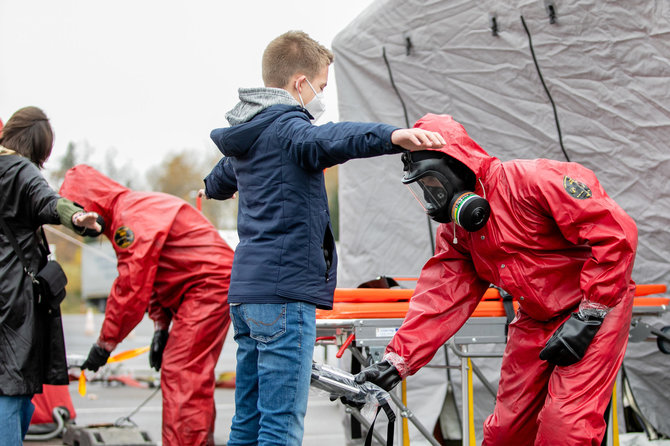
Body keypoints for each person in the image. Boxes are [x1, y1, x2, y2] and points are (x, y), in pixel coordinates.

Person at [200, 30, 446, 446]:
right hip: (282, 294)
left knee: (248, 419)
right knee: (280, 425)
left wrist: (208, 186)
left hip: (245, 295)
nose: (321, 98)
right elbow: (330, 138)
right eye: (321, 87)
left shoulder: (248, 136)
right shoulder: (288, 130)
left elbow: (220, 180)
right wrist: (392, 136)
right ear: (300, 83)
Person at [353, 113, 638, 445]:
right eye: (424, 189)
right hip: (536, 314)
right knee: (506, 432)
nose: (432, 198)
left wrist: (590, 313)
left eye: (433, 185)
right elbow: (442, 297)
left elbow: (616, 233)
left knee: (565, 429)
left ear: (454, 168)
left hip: (596, 307)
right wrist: (396, 362)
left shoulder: (534, 181)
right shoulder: (460, 232)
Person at [60, 164, 234, 446]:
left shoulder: (128, 220)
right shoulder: (133, 209)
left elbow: (132, 286)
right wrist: (160, 328)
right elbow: (155, 274)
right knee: (185, 373)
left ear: (88, 203)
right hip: (205, 285)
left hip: (208, 287)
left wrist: (105, 345)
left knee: (182, 372)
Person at [0, 106, 102, 445]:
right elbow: (47, 200)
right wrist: (75, 217)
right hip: (13, 301)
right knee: (13, 395)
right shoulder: (19, 169)